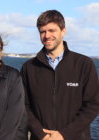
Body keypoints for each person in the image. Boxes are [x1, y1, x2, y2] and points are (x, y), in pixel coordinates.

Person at [21, 10, 99, 140]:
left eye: (52, 30)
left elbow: (93, 104)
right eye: (42, 31)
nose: (46, 36)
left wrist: (64, 135)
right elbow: (23, 106)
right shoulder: (29, 67)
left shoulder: (84, 64)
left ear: (63, 31)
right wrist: (41, 133)